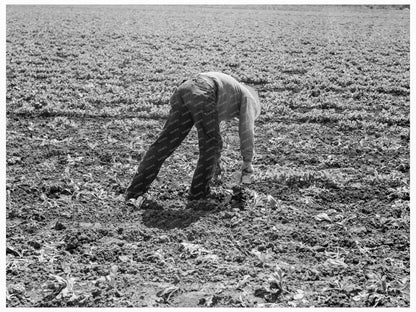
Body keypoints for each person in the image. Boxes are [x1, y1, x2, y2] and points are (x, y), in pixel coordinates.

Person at [124, 71, 261, 202]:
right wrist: (247, 161)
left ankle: (135, 191)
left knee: (165, 143)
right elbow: (246, 130)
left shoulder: (230, 93)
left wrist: (215, 165)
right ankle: (198, 194)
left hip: (185, 89)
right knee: (212, 145)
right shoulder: (248, 98)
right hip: (203, 90)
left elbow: (212, 132)